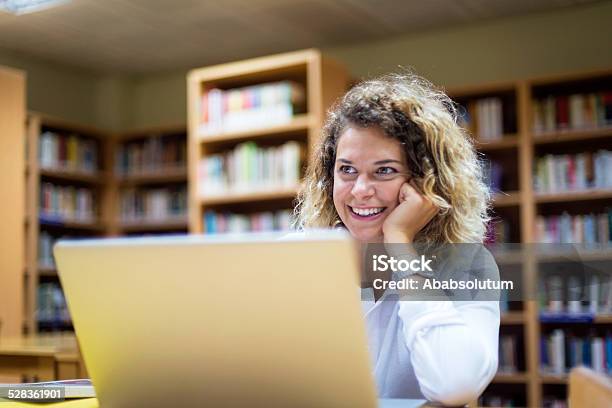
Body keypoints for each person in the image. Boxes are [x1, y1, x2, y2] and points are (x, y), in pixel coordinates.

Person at [293, 73, 500, 405]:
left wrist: (400, 244)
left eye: (384, 170)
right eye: (346, 170)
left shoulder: (469, 265)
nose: (360, 190)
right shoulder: (297, 258)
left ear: (427, 182)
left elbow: (455, 385)